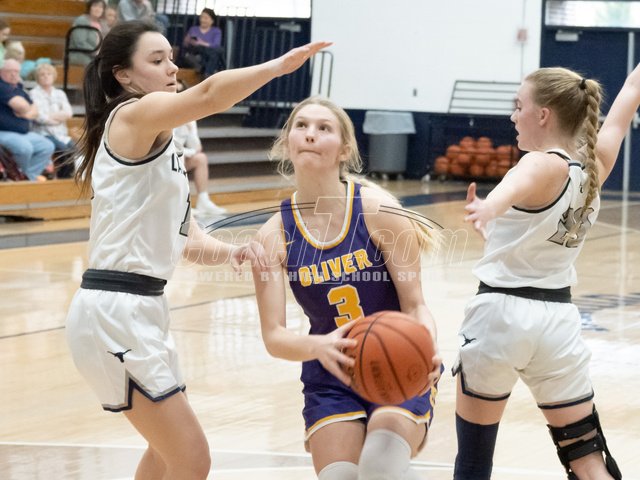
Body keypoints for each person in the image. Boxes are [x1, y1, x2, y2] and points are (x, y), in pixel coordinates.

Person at [65, 20, 328, 480]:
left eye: (171, 57)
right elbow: (207, 95)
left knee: (164, 456)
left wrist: (233, 252)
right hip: (115, 309)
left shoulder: (162, 141)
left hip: (142, 308)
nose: (172, 68)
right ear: (123, 75)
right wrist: (277, 67)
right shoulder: (132, 115)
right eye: (157, 60)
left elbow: (186, 238)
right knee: (191, 458)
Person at [452, 64, 640, 480]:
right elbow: (630, 91)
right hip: (557, 322)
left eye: (519, 106)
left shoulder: (539, 162)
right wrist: (493, 219)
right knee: (587, 458)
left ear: (543, 115)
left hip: (500, 317)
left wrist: (488, 207)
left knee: (474, 459)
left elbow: (514, 186)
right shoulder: (596, 163)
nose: (513, 115)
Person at [251, 96, 442, 480]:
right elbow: (274, 336)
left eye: (324, 128)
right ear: (287, 142)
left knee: (380, 466)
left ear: (344, 149)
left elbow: (415, 305)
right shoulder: (272, 235)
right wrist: (318, 347)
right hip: (329, 376)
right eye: (301, 126)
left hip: (396, 360)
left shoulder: (378, 211)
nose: (310, 134)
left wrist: (428, 347)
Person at [174, 79, 227, 217]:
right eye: (176, 92)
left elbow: (197, 147)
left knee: (201, 159)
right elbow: (169, 146)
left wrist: (190, 129)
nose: (179, 94)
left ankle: (203, 201)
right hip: (168, 158)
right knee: (179, 157)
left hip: (180, 157)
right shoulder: (166, 114)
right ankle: (180, 205)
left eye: (181, 91)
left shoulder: (189, 117)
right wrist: (188, 152)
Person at [0, 58, 54, 181]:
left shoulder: (18, 88)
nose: (14, 74)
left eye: (16, 71)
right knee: (25, 148)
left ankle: (27, 177)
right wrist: (27, 109)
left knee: (47, 146)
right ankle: (18, 176)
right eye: (10, 71)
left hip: (23, 133)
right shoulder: (2, 86)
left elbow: (35, 110)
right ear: (1, 71)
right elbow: (21, 106)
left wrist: (26, 114)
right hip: (3, 132)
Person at [29, 63, 75, 178]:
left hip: (61, 133)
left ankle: (66, 179)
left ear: (53, 76)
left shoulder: (60, 93)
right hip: (43, 133)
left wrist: (50, 117)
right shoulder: (33, 94)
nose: (46, 76)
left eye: (49, 74)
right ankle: (62, 180)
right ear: (37, 78)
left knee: (75, 150)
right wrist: (57, 118)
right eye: (42, 74)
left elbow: (69, 113)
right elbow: (39, 117)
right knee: (64, 151)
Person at [182, 8, 225, 78]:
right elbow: (185, 45)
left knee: (217, 51)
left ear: (212, 20)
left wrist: (201, 43)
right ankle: (207, 73)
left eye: (206, 18)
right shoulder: (193, 29)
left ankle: (205, 71)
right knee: (217, 52)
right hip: (195, 53)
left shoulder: (216, 31)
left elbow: (216, 45)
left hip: (208, 54)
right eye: (201, 17)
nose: (202, 20)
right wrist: (188, 40)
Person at [68, 0, 108, 66]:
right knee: (96, 66)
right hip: (81, 54)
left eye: (101, 7)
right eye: (95, 6)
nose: (98, 9)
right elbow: (80, 43)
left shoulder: (103, 24)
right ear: (89, 7)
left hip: (97, 55)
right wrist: (96, 53)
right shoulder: (82, 20)